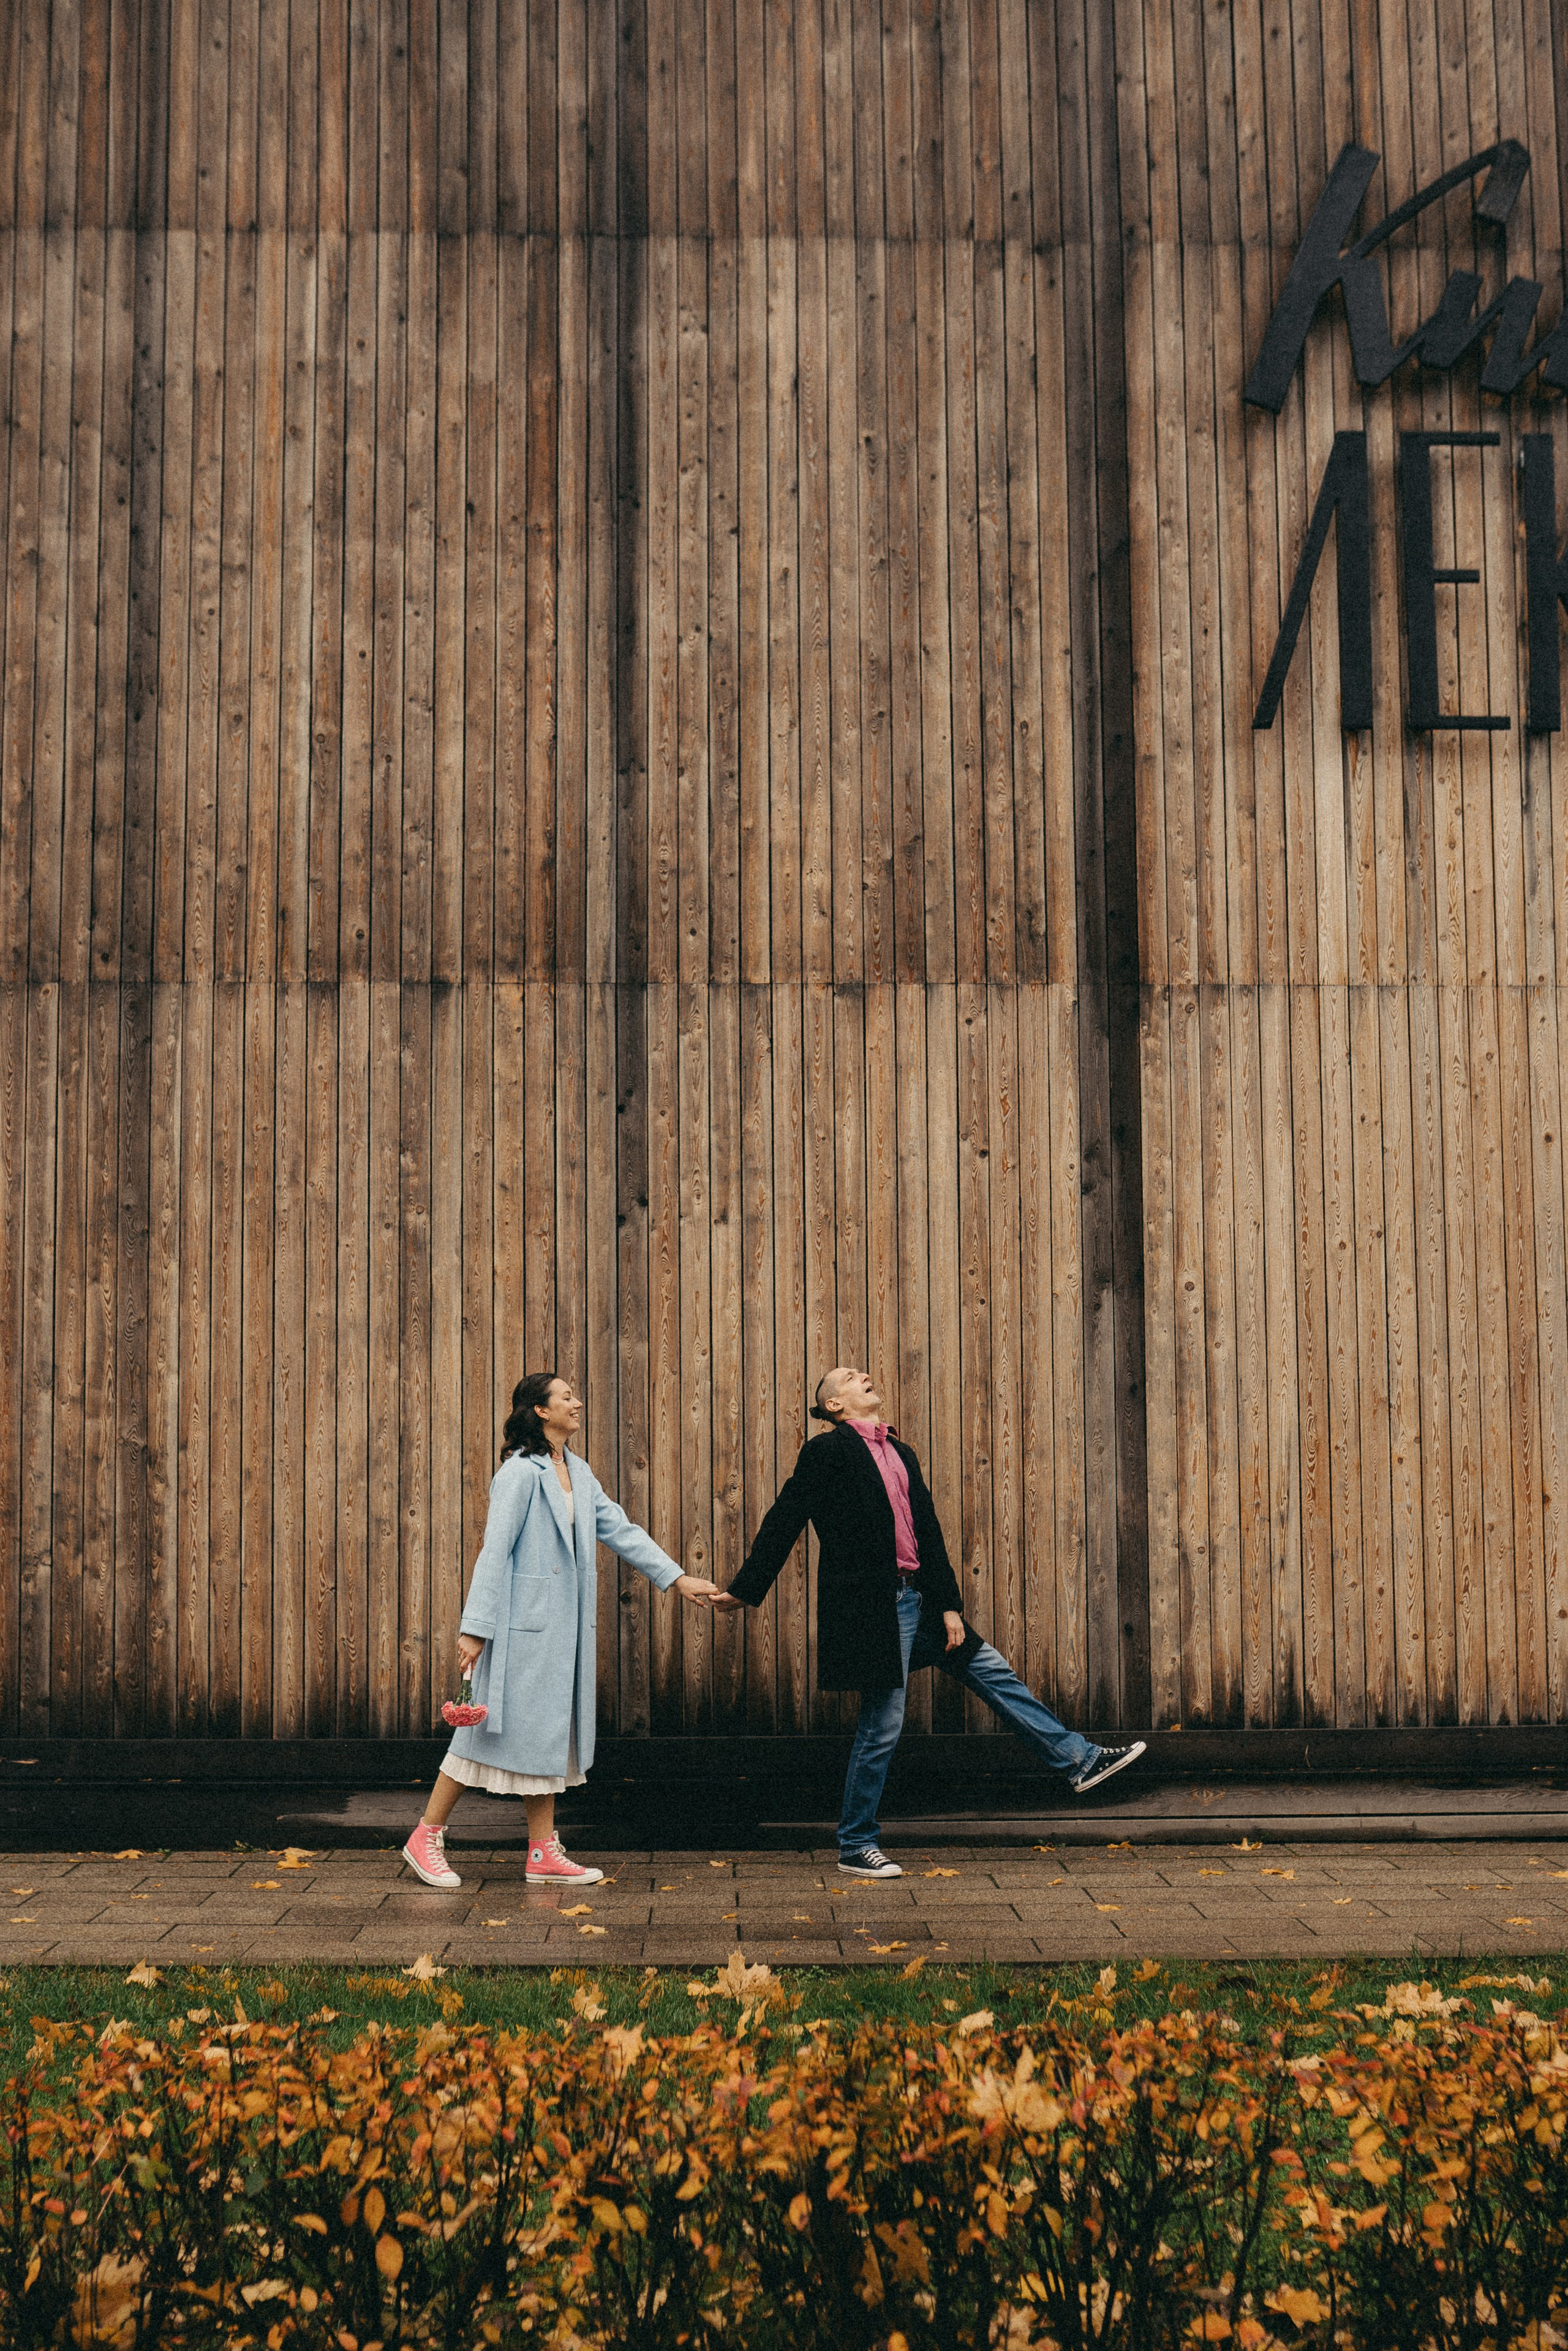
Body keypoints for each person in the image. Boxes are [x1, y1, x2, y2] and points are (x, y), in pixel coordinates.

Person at [708, 1366, 1145, 1876]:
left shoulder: (901, 1453)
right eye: (850, 1376)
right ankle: (855, 1844)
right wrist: (745, 1589)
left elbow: (928, 1535)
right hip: (877, 1609)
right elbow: (785, 1517)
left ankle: (1079, 1761)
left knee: (993, 1671)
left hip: (920, 1602)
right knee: (883, 1726)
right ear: (834, 1407)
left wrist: (949, 1605)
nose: (864, 1374)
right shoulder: (827, 1452)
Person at [402, 1371, 717, 1889]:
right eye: (566, 1396)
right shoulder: (519, 1472)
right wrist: (475, 1628)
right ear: (541, 1411)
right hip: (519, 1629)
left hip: (560, 1633)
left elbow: (620, 1529)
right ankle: (426, 1835)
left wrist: (677, 1578)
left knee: (547, 1737)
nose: (578, 1401)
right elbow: (494, 1550)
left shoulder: (577, 1470)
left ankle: (542, 1852)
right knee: (483, 1734)